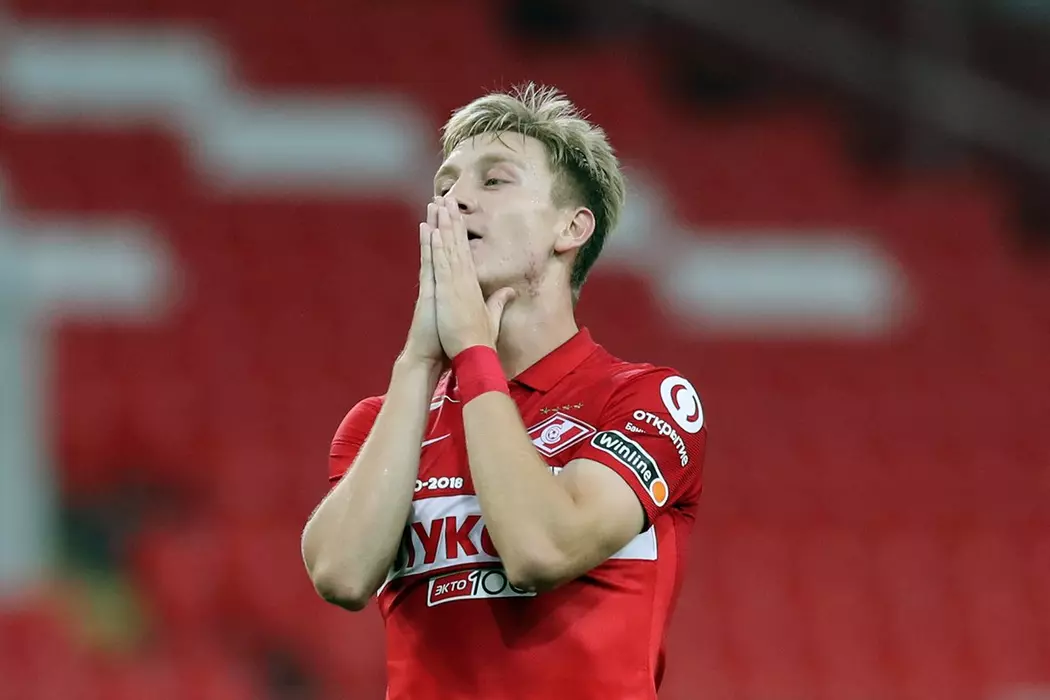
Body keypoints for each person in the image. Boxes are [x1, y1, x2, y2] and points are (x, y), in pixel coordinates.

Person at [301, 82, 707, 700]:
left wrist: (473, 355)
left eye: (494, 181)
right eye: (444, 187)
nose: (455, 200)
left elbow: (542, 549)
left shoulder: (645, 399)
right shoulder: (383, 421)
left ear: (571, 228)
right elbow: (341, 575)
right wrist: (419, 361)